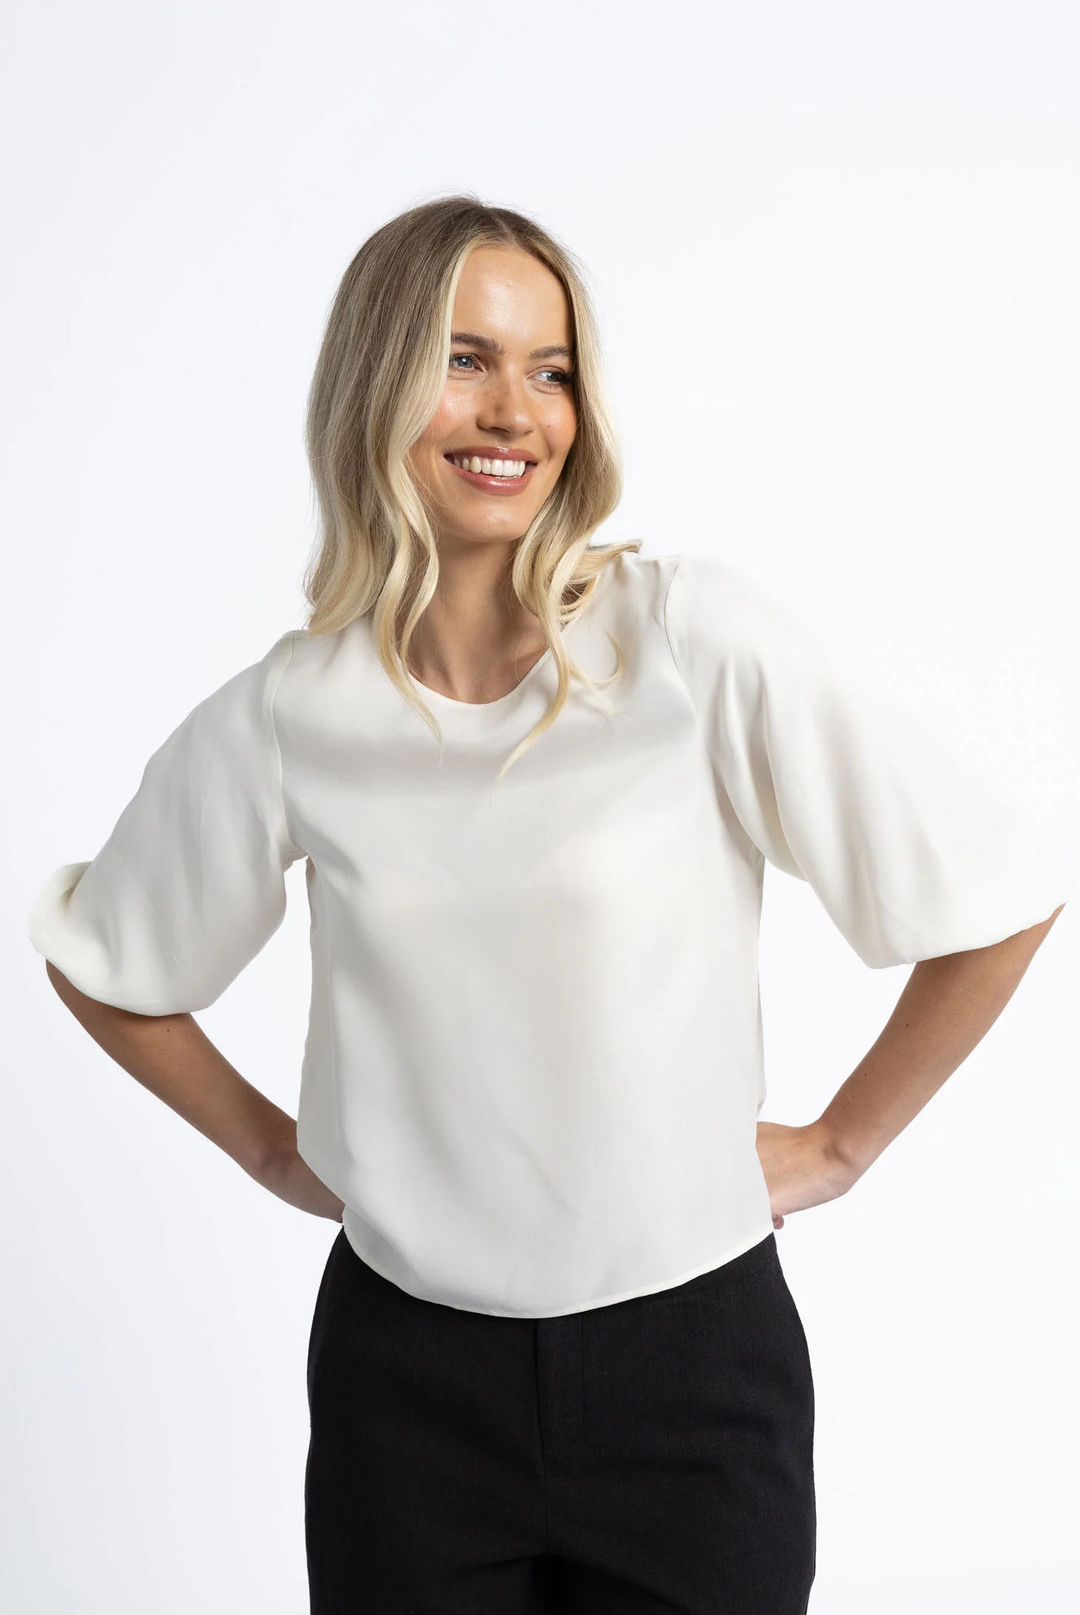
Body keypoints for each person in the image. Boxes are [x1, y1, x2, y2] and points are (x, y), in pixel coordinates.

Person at [28, 194, 1071, 1615]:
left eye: (551, 366)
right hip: (408, 1390)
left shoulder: (686, 639)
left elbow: (991, 896)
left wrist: (839, 1145)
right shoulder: (293, 712)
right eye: (465, 357)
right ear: (378, 383)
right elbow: (109, 961)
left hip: (693, 1377)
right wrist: (278, 1153)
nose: (514, 408)